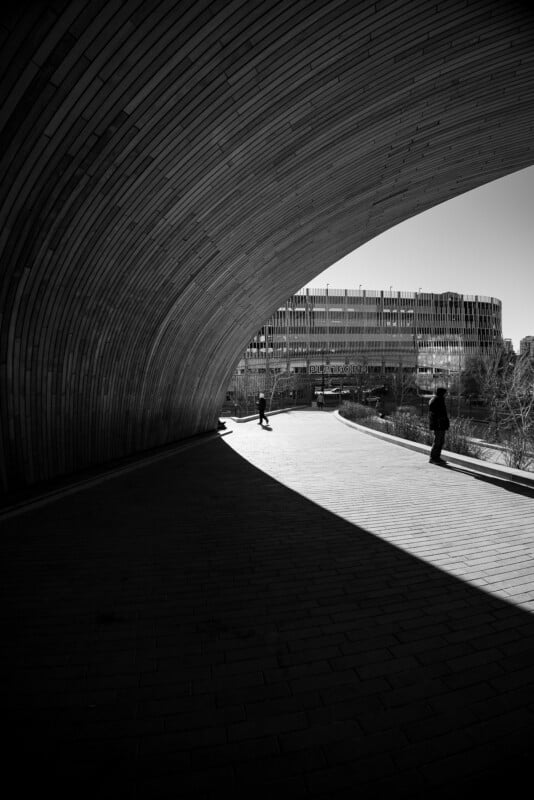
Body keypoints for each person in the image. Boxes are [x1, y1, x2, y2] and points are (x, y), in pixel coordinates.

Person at [428, 386, 449, 464]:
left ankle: (437, 457)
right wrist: (440, 422)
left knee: (440, 441)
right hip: (439, 424)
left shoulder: (438, 399)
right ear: (441, 393)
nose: (446, 395)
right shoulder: (437, 400)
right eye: (445, 393)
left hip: (440, 424)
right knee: (438, 441)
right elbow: (436, 414)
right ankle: (433, 458)